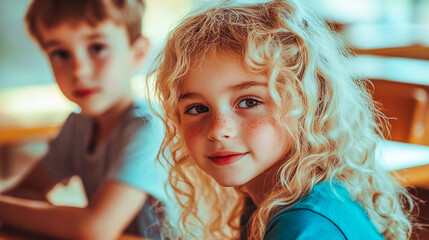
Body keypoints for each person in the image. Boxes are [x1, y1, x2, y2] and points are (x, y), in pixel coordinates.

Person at [148, 0, 415, 239]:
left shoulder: (305, 226)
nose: (218, 130)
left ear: (309, 105)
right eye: (197, 108)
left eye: (249, 102)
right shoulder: (269, 197)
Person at [0, 0, 173, 239]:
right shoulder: (78, 126)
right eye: (60, 53)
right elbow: (26, 191)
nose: (79, 70)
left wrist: (6, 210)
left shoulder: (149, 128)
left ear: (138, 53)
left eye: (97, 47)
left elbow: (95, 228)